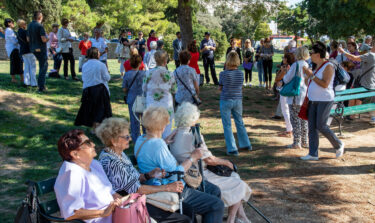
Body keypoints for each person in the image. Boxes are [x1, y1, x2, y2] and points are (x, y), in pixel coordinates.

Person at [134, 106, 225, 223]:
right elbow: (176, 174)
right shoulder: (158, 145)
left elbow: (152, 154)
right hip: (170, 188)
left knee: (214, 190)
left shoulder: (141, 139)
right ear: (162, 125)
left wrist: (164, 141)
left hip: (154, 184)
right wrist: (192, 157)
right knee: (216, 205)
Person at [95, 118, 191, 223]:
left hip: (138, 197)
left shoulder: (119, 153)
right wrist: (168, 187)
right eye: (126, 137)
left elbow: (134, 180)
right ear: (114, 141)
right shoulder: (111, 162)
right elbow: (137, 189)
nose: (130, 139)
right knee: (184, 219)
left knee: (188, 209)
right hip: (130, 203)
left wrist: (149, 175)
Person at [170, 102, 252, 223]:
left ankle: (239, 216)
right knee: (238, 182)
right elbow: (209, 159)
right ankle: (232, 219)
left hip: (188, 174)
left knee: (235, 177)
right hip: (198, 176)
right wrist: (228, 163)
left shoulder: (173, 134)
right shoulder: (193, 135)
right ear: (193, 118)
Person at [54, 129, 123, 223]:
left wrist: (124, 201)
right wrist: (103, 212)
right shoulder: (71, 174)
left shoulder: (94, 164)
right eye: (87, 143)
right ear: (75, 154)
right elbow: (72, 212)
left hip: (116, 215)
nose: (93, 144)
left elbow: (111, 192)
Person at [301, 41, 345, 161]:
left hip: (325, 100)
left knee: (321, 125)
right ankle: (313, 153)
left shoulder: (328, 66)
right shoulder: (315, 67)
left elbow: (325, 84)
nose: (310, 55)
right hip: (313, 100)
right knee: (312, 127)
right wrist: (308, 77)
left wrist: (312, 76)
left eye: (312, 53)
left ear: (318, 54)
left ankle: (338, 144)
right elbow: (310, 82)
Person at [219, 51, 252, 156]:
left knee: (227, 125)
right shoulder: (240, 73)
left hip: (226, 100)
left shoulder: (223, 74)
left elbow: (220, 88)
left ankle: (232, 148)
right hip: (237, 100)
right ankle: (246, 144)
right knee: (239, 122)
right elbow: (240, 86)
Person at [279, 47, 309, 149]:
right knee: (303, 119)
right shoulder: (306, 64)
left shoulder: (296, 64)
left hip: (296, 94)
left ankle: (296, 142)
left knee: (295, 119)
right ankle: (304, 141)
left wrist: (285, 73)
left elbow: (287, 79)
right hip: (304, 93)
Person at [338, 41, 375, 125]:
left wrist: (343, 51)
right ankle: (353, 115)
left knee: (352, 96)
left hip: (365, 83)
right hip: (371, 84)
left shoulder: (371, 55)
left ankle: (351, 115)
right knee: (357, 98)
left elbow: (354, 58)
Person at [142, 50, 176, 138]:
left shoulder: (148, 73)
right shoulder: (170, 74)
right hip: (166, 105)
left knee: (152, 131)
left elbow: (144, 88)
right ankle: (165, 148)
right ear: (166, 61)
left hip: (152, 105)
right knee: (167, 131)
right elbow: (175, 90)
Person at [75, 47, 112, 129]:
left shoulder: (85, 65)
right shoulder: (101, 65)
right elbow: (107, 78)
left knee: (91, 110)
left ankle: (93, 127)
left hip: (87, 90)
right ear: (97, 54)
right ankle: (97, 128)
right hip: (99, 90)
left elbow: (84, 78)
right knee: (100, 111)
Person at [123, 55, 145, 142]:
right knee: (144, 119)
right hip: (142, 98)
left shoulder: (127, 74)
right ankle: (146, 136)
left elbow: (124, 88)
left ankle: (136, 138)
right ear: (140, 63)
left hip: (132, 98)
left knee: (134, 119)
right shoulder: (144, 74)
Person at [275, 53, 295, 138]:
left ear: (287, 59)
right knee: (288, 110)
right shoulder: (293, 67)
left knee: (285, 110)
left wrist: (282, 71)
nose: (283, 59)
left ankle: (289, 130)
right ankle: (290, 129)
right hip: (289, 90)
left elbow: (277, 79)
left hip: (285, 90)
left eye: (284, 57)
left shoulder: (287, 67)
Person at [28, 11, 49, 92]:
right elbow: (43, 39)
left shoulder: (29, 25)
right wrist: (48, 39)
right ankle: (41, 87)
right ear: (40, 17)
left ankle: (41, 85)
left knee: (42, 66)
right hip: (40, 48)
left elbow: (28, 39)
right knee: (43, 67)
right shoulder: (40, 26)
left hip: (33, 48)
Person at [17, 19, 37, 87]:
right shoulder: (26, 31)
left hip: (23, 51)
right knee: (32, 67)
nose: (26, 25)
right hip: (29, 50)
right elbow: (29, 40)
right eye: (25, 23)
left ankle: (26, 82)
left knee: (26, 67)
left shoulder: (18, 32)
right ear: (22, 24)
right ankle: (34, 83)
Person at [4, 18, 23, 84]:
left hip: (12, 49)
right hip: (13, 49)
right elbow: (14, 41)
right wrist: (20, 39)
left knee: (15, 63)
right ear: (9, 23)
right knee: (17, 63)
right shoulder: (9, 31)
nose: (13, 24)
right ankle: (18, 79)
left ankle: (16, 78)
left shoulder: (8, 30)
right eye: (12, 22)